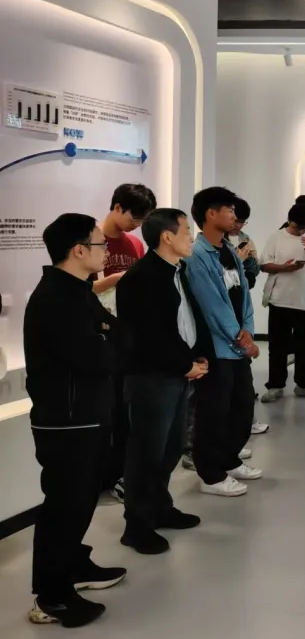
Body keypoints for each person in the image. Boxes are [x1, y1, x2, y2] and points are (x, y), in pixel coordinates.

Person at [24, 213, 127, 628]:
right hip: (66, 419)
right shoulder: (56, 298)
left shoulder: (77, 290)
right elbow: (95, 356)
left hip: (88, 414)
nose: (106, 251)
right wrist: (108, 341)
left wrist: (108, 338)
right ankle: (52, 596)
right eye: (100, 244)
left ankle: (74, 565)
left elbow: (113, 334)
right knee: (64, 504)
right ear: (79, 250)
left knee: (81, 499)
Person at [116, 209, 207, 555]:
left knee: (170, 448)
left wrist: (196, 356)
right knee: (146, 452)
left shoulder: (176, 271)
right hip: (152, 378)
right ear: (167, 237)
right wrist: (185, 364)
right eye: (186, 232)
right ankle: (137, 526)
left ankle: (159, 507)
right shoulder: (142, 278)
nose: (190, 238)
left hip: (177, 372)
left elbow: (183, 321)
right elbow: (148, 336)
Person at [183, 187, 262, 495]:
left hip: (238, 345)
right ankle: (211, 474)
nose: (234, 215)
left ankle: (229, 459)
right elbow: (211, 305)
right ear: (211, 214)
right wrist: (240, 339)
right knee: (213, 412)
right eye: (228, 210)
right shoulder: (197, 255)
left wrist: (249, 330)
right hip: (216, 348)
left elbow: (244, 295)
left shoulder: (229, 249)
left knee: (241, 406)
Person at [94, 183, 157, 504]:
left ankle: (120, 474)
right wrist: (115, 279)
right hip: (101, 336)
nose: (137, 225)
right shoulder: (92, 241)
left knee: (126, 411)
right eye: (135, 217)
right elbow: (83, 289)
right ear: (117, 207)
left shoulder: (135, 244)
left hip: (129, 334)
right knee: (107, 411)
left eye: (143, 220)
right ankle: (103, 476)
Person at [260, 203, 305, 402]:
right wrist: (284, 268)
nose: (300, 231)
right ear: (289, 221)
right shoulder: (276, 237)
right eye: (296, 227)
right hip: (280, 300)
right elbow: (264, 265)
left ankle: (304, 384)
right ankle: (275, 385)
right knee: (277, 346)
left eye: (303, 227)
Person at [227, 198, 268, 435]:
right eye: (236, 219)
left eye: (242, 221)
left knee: (242, 368)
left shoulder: (246, 239)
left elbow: (253, 269)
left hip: (240, 302)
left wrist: (247, 272)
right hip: (225, 314)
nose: (238, 225)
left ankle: (245, 420)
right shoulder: (208, 246)